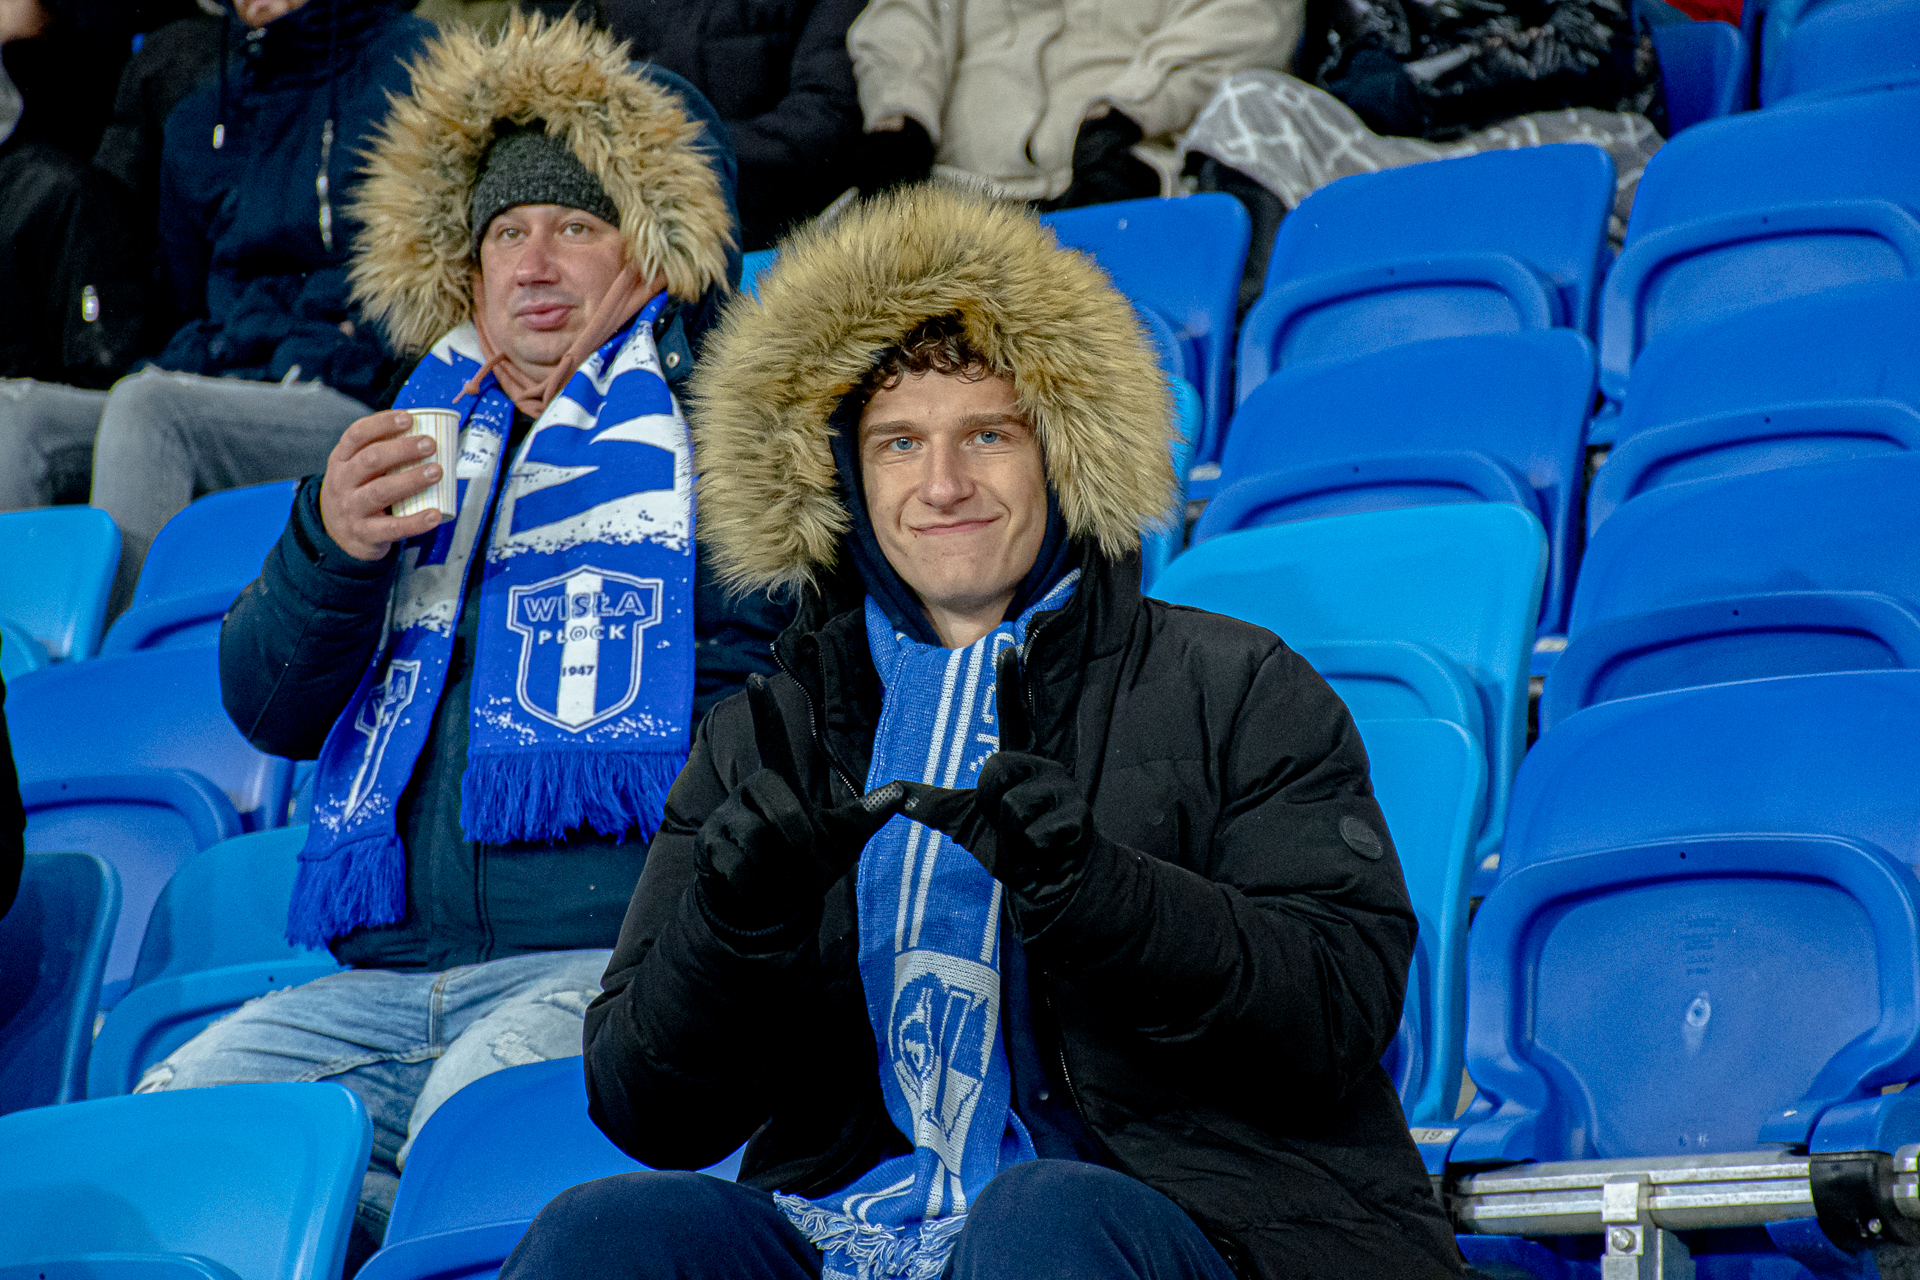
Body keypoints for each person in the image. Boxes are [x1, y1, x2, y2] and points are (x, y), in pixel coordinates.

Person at [500, 185, 1465, 1279]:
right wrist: (734, 929)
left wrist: (1103, 896)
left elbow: (1339, 1011)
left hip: (1190, 1231)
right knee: (603, 1234)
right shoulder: (759, 737)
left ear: (1061, 451)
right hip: (858, 1224)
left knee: (1038, 1217)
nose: (944, 484)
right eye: (898, 442)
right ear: (842, 480)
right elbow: (646, 1108)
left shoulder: (1236, 682)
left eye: (988, 434)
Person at [132, 14, 783, 1267]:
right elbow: (268, 705)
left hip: (609, 962)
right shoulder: (410, 436)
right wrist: (333, 544)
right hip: (376, 982)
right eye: (505, 232)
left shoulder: (739, 439)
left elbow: (778, 703)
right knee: (175, 1142)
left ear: (651, 249)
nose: (534, 262)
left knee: (466, 1133)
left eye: (576, 226)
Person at [0, 0, 435, 617]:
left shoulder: (414, 67)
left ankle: (115, 664)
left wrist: (329, 348)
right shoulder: (202, 115)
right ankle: (20, 659)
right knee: (15, 415)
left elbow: (439, 275)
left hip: (356, 391)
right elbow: (188, 304)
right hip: (234, 383)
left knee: (151, 410)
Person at [847, 0, 1300, 208]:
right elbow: (902, 19)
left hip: (1132, 176)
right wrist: (901, 119)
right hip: (950, 189)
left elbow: (1251, 17)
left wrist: (1128, 111)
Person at [597, 0, 866, 250]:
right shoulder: (613, 8)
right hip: (649, 235)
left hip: (791, 235)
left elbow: (828, 114)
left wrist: (685, 153)